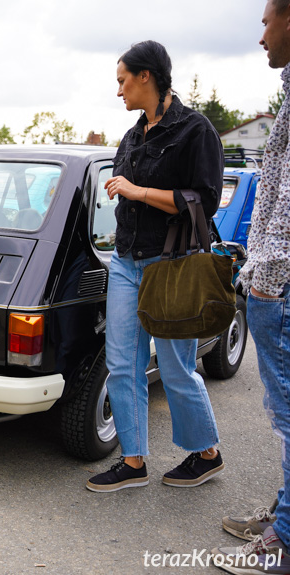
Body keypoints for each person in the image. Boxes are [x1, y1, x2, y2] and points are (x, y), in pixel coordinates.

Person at [85, 40, 225, 493]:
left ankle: (206, 452)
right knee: (122, 363)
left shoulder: (195, 130)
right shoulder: (132, 134)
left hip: (172, 265)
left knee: (174, 366)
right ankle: (133, 461)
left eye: (123, 80)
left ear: (147, 76)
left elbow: (204, 202)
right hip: (126, 263)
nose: (119, 91)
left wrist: (138, 191)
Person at [211, 2, 290, 571]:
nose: (261, 34)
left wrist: (267, 274)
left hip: (280, 286)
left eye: (268, 21)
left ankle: (285, 541)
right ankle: (285, 513)